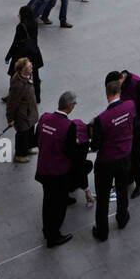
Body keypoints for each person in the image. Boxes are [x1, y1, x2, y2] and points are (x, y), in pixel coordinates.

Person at [36, 90, 85, 247]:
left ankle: (46, 229)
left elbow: (37, 139)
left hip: (43, 168)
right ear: (70, 106)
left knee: (47, 200)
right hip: (58, 172)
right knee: (58, 205)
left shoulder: (44, 118)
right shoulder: (68, 126)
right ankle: (53, 236)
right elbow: (70, 152)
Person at [90, 73, 135, 241]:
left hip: (106, 162)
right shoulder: (130, 106)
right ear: (120, 92)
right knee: (122, 190)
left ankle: (102, 232)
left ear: (107, 95)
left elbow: (95, 145)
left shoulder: (102, 119)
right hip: (124, 157)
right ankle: (122, 218)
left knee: (102, 197)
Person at [118, 68, 140, 197]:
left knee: (137, 151)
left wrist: (131, 114)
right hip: (128, 123)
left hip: (139, 123)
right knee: (128, 151)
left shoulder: (137, 84)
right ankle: (129, 176)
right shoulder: (119, 84)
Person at [5, 6, 44, 103]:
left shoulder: (21, 26)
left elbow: (15, 42)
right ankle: (37, 97)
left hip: (21, 53)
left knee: (14, 75)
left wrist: (8, 56)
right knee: (35, 74)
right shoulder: (35, 23)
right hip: (34, 51)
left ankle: (13, 96)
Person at [6, 57, 39, 163]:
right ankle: (20, 154)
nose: (31, 67)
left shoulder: (29, 75)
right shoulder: (18, 84)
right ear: (23, 70)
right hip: (22, 115)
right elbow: (12, 103)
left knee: (30, 130)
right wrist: (10, 119)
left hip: (30, 111)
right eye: (29, 66)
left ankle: (28, 147)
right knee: (22, 134)